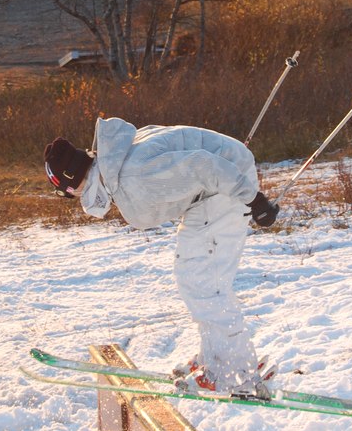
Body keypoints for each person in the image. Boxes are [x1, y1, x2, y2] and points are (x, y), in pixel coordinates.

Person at [44, 116, 279, 399]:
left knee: (204, 283)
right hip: (211, 191)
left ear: (74, 180)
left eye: (67, 192)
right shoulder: (115, 162)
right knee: (193, 277)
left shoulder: (133, 174)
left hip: (226, 186)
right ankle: (214, 357)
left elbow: (203, 164)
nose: (75, 198)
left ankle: (236, 373)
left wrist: (255, 200)